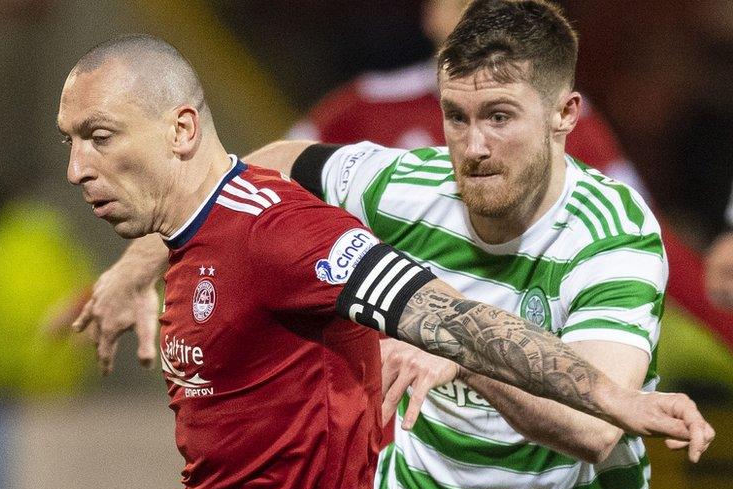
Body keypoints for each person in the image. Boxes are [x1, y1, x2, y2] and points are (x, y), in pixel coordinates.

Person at [58, 33, 711, 489]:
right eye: (70, 141)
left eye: (100, 136)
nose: (78, 168)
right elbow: (244, 429)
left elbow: (449, 318)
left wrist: (608, 396)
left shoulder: (281, 234)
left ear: (181, 129)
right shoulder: (197, 246)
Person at [292, 0, 733, 357]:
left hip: (509, 365)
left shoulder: (561, 117)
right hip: (374, 363)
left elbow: (649, 242)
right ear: (433, 13)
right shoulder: (362, 109)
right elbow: (267, 203)